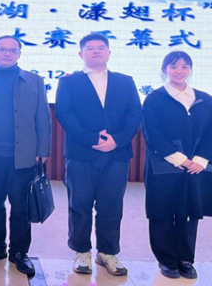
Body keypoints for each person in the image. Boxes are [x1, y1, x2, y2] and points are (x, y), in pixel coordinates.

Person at [55, 33, 141, 276]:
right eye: (90, 48)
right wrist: (92, 138)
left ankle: (108, 252)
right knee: (79, 204)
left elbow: (135, 113)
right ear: (81, 53)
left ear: (109, 53)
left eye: (101, 47)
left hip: (117, 154)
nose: (95, 51)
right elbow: (64, 114)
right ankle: (81, 251)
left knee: (111, 205)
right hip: (81, 153)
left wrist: (117, 140)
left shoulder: (125, 81)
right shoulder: (69, 82)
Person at [0, 35, 51, 277]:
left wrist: (43, 150)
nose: (7, 53)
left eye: (12, 50)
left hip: (23, 156)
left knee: (21, 207)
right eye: (2, 49)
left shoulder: (34, 81)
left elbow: (42, 117)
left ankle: (19, 252)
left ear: (19, 54)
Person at [141, 51, 212, 280]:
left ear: (190, 69)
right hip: (164, 163)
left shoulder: (206, 100)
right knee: (162, 211)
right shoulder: (154, 99)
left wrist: (201, 159)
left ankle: (186, 259)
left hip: (196, 165)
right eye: (174, 66)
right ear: (165, 69)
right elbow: (151, 132)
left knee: (190, 211)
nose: (179, 71)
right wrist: (177, 158)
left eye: (185, 66)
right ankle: (166, 260)